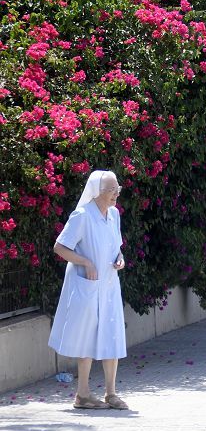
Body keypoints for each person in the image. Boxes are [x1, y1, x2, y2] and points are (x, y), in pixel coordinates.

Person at [48, 170, 129, 410]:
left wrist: (120, 259)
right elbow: (60, 247)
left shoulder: (114, 215)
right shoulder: (82, 215)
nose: (115, 194)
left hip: (109, 285)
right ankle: (82, 394)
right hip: (87, 284)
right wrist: (85, 262)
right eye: (111, 190)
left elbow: (116, 247)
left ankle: (111, 393)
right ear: (97, 191)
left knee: (111, 332)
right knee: (87, 335)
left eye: (117, 189)